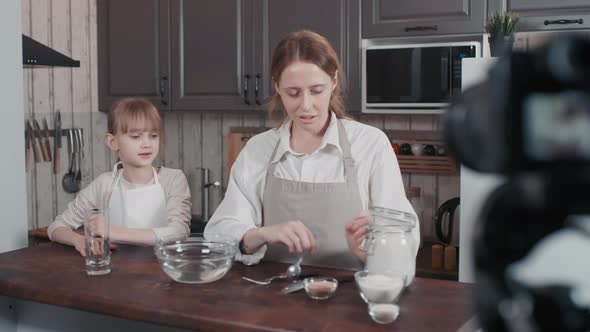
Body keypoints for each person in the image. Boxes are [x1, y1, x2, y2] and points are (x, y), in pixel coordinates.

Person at [204, 30, 419, 270]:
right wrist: (262, 234)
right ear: (277, 86)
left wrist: (375, 245)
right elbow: (218, 235)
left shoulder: (370, 144)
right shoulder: (258, 150)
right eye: (293, 93)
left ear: (334, 81)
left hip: (352, 297)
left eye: (316, 90)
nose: (306, 106)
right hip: (272, 296)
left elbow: (405, 236)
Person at [48, 97, 191, 256]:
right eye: (136, 137)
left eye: (153, 135)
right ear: (112, 142)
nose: (147, 144)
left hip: (162, 272)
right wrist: (79, 240)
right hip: (116, 274)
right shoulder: (104, 184)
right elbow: (56, 227)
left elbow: (178, 232)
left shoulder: (173, 179)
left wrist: (109, 231)